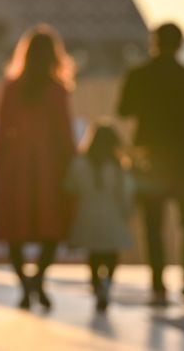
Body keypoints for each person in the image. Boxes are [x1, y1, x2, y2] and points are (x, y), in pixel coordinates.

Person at [117, 22, 184, 305]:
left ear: (154, 42)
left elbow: (123, 109)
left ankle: (158, 283)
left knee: (153, 225)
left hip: (150, 158)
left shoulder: (139, 75)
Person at [0, 25, 76, 311]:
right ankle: (38, 279)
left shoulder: (12, 88)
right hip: (49, 168)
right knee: (51, 229)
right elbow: (65, 135)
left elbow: (2, 132)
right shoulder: (57, 90)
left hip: (17, 166)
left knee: (15, 229)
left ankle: (25, 286)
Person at [64, 125, 135, 313]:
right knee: (111, 254)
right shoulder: (117, 167)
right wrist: (126, 213)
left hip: (87, 215)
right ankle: (107, 283)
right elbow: (125, 194)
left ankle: (97, 287)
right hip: (112, 215)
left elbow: (70, 188)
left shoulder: (79, 164)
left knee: (94, 254)